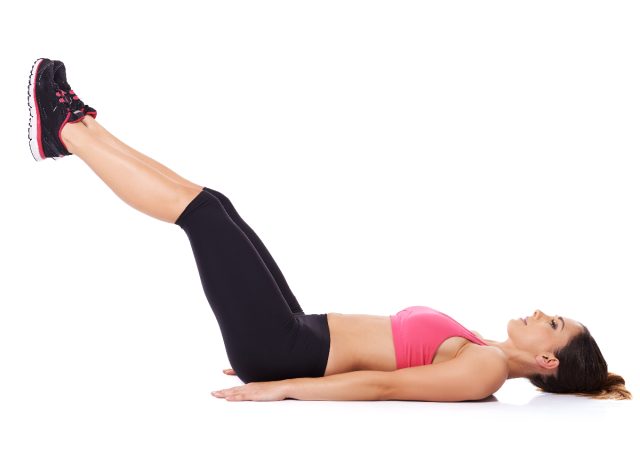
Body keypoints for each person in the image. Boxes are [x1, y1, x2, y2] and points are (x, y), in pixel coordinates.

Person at [27, 57, 632, 403]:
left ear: (548, 358)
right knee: (217, 203)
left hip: (286, 347)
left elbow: (383, 386)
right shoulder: (487, 350)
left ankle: (68, 133)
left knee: (203, 215)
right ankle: (74, 128)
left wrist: (279, 386)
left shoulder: (487, 370)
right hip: (292, 333)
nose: (538, 312)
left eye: (550, 323)